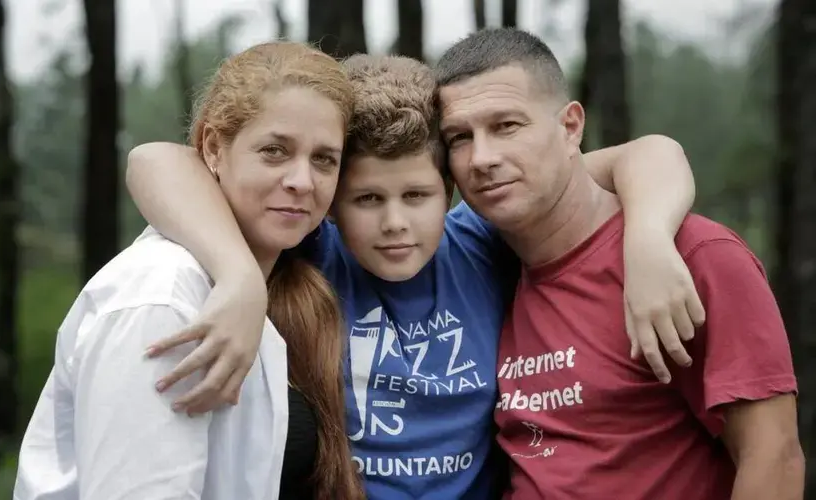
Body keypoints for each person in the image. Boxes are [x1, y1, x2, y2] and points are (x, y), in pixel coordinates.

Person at [124, 50, 703, 499]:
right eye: (368, 198)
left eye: (418, 195)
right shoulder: (312, 248)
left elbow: (652, 151)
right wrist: (239, 277)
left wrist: (649, 239)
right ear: (332, 198)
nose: (395, 223)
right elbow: (153, 159)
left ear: (450, 190)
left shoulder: (480, 242)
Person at [433, 28, 805, 499]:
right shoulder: (483, 260)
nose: (482, 158)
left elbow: (773, 459)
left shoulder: (693, 256)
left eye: (507, 126)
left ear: (570, 127)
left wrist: (648, 237)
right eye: (460, 137)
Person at [13, 41, 364, 500]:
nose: (302, 180)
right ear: (214, 148)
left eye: (324, 159)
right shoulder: (161, 297)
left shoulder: (294, 273)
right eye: (275, 151)